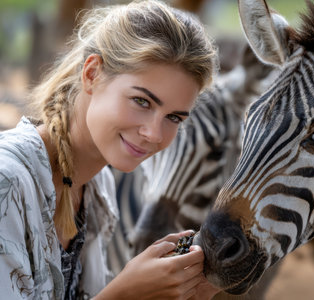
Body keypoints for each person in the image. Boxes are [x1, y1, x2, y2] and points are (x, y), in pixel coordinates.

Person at [0, 0, 220, 299]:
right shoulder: (7, 181)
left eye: (173, 117)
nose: (154, 134)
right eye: (142, 101)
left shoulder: (97, 187)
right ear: (92, 74)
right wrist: (124, 293)